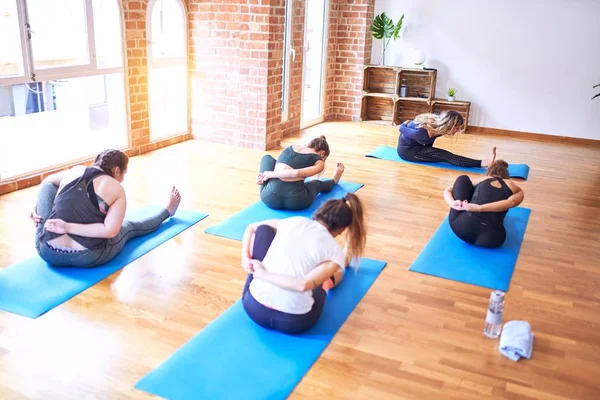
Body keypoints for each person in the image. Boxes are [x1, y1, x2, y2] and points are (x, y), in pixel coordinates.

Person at [29, 149, 181, 267]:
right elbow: (109, 231)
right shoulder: (116, 188)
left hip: (48, 252)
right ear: (116, 170)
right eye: (124, 173)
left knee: (48, 186)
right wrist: (67, 227)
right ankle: (168, 210)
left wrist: (37, 207)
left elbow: (47, 183)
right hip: (88, 256)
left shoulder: (75, 171)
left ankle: (42, 219)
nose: (123, 178)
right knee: (128, 227)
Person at [239, 193, 367, 334]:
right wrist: (263, 274)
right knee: (323, 279)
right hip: (295, 322)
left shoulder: (292, 221)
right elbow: (302, 285)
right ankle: (338, 266)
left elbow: (251, 227)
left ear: (319, 212)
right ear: (342, 229)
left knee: (263, 229)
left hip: (252, 308)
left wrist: (246, 259)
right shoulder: (334, 251)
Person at [443, 159, 524, 248]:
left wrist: (453, 203)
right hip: (493, 238)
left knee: (463, 179)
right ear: (507, 176)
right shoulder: (513, 186)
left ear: (489, 173)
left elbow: (448, 190)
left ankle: (461, 208)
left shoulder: (484, 179)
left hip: (462, 228)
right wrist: (479, 207)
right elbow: (511, 202)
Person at [256, 135, 345, 210]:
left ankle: (261, 180)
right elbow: (296, 173)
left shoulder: (292, 146)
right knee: (316, 183)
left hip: (268, 198)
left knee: (267, 158)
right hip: (297, 202)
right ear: (322, 153)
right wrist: (269, 174)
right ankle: (334, 180)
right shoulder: (319, 162)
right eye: (324, 159)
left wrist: (267, 174)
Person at [397, 111, 496, 168]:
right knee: (447, 156)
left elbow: (429, 142)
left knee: (443, 155)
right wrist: (405, 123)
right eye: (457, 128)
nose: (458, 131)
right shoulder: (423, 132)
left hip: (417, 145)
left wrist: (431, 152)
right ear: (449, 126)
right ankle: (484, 163)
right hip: (407, 151)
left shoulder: (439, 127)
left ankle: (483, 162)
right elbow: (401, 129)